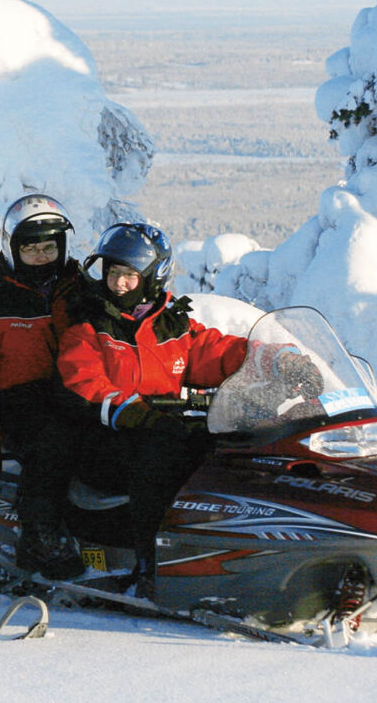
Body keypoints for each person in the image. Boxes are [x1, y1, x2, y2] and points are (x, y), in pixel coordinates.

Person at [54, 222, 315, 598]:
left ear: (150, 277)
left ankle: (235, 551)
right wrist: (130, 411)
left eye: (129, 275)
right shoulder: (90, 324)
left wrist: (279, 360)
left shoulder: (171, 323)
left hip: (160, 426)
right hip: (104, 435)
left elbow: (219, 351)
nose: (119, 284)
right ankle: (150, 568)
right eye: (113, 274)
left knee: (226, 449)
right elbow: (83, 380)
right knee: (159, 459)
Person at [0, 194, 87, 579]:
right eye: (31, 249)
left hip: (80, 396)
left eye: (49, 247)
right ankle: (40, 537)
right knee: (53, 441)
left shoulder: (82, 294)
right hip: (22, 405)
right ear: (13, 250)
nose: (42, 256)